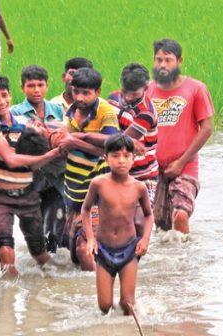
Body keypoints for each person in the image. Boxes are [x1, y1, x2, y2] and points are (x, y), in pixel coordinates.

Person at [0, 74, 62, 276]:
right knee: (5, 248)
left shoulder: (25, 123)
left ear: (11, 95)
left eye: (4, 96)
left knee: (40, 254)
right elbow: (11, 159)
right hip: (1, 198)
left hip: (28, 196)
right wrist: (51, 153)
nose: (1, 102)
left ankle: (54, 288)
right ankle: (8, 300)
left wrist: (53, 150)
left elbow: (34, 163)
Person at [54, 67, 120, 270]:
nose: (80, 97)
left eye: (86, 93)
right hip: (74, 190)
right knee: (73, 253)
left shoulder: (105, 111)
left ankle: (95, 292)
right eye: (76, 92)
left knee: (85, 249)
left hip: (98, 192)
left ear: (98, 92)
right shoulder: (71, 110)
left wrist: (77, 139)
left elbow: (110, 143)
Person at [146, 39, 213, 234]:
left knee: (180, 215)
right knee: (162, 225)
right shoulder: (148, 90)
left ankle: (185, 261)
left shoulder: (195, 89)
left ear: (179, 61)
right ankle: (170, 261)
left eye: (168, 60)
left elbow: (207, 128)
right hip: (155, 168)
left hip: (185, 166)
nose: (163, 65)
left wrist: (181, 161)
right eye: (159, 60)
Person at [82, 134, 153, 316]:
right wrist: (90, 239)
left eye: (126, 156)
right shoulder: (98, 183)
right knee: (104, 306)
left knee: (128, 304)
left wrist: (145, 239)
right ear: (106, 158)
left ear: (133, 158)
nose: (121, 161)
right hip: (103, 249)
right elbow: (86, 210)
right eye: (115, 156)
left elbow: (148, 215)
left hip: (129, 249)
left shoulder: (139, 187)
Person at [10, 65, 66, 252]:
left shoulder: (58, 110)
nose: (36, 90)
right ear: (22, 87)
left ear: (47, 86)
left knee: (57, 226)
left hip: (56, 179)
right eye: (31, 85)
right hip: (30, 183)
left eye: (40, 85)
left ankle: (56, 268)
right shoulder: (14, 113)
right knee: (36, 230)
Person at [107, 64, 159, 231]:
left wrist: (125, 139)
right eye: (125, 92)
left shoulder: (147, 113)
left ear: (146, 87)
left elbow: (119, 142)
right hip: (116, 171)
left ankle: (137, 254)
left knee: (139, 222)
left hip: (143, 176)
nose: (128, 98)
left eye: (134, 93)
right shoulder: (113, 98)